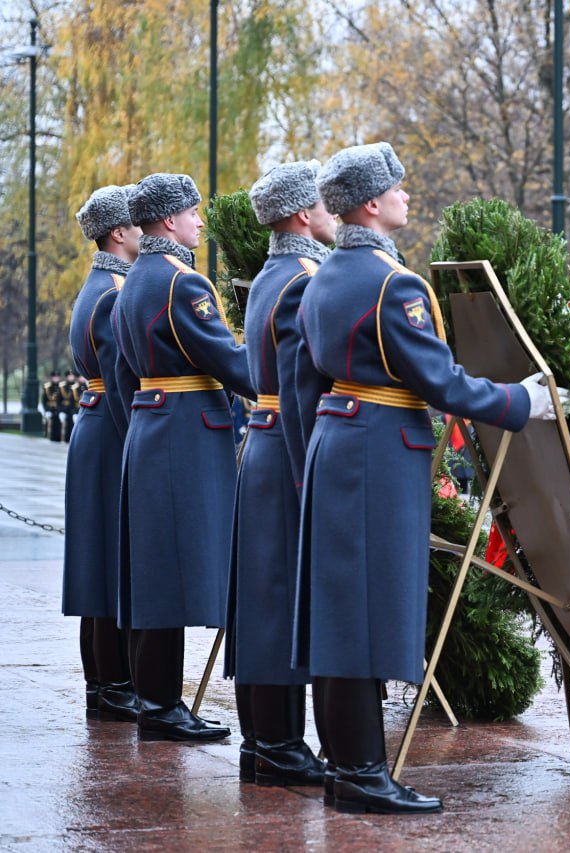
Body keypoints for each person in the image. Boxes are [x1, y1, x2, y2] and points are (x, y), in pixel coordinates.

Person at [293, 142, 565, 814]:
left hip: (338, 446)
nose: (407, 195)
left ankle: (345, 766)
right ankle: (360, 773)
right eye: (396, 188)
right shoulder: (392, 282)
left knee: (340, 616)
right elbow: (439, 381)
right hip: (376, 454)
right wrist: (521, 402)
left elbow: (302, 385)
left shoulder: (322, 274)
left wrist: (314, 462)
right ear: (370, 204)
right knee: (362, 616)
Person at [112, 172, 254, 742]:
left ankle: (156, 700)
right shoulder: (181, 283)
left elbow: (124, 374)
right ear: (169, 220)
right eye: (193, 212)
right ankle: (161, 706)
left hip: (153, 425)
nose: (200, 221)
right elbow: (228, 360)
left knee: (155, 573)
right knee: (169, 576)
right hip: (185, 435)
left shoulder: (134, 279)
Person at [224, 160, 335, 788]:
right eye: (322, 203)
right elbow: (298, 391)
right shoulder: (301, 278)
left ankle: (262, 742)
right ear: (301, 214)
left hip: (262, 445)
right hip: (287, 447)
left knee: (264, 599)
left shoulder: (274, 272)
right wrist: (306, 474)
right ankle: (282, 745)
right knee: (277, 602)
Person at [62, 184, 142, 723]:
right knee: (113, 568)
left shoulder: (99, 284)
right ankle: (116, 685)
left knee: (99, 569)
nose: (145, 232)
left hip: (92, 430)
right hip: (112, 434)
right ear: (119, 233)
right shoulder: (115, 291)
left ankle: (104, 686)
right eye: (138, 224)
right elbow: (121, 386)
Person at [59, 370, 79, 441]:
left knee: (72, 425)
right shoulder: (63, 386)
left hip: (73, 408)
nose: (71, 377)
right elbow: (59, 400)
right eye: (69, 376)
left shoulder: (77, 386)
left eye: (72, 376)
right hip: (64, 408)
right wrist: (60, 410)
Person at [42, 371, 62, 442]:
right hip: (50, 408)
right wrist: (46, 410)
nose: (56, 379)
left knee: (59, 425)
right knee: (50, 426)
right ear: (51, 378)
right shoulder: (47, 387)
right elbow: (44, 401)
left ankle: (58, 438)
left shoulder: (61, 387)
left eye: (57, 377)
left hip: (59, 409)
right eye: (54, 377)